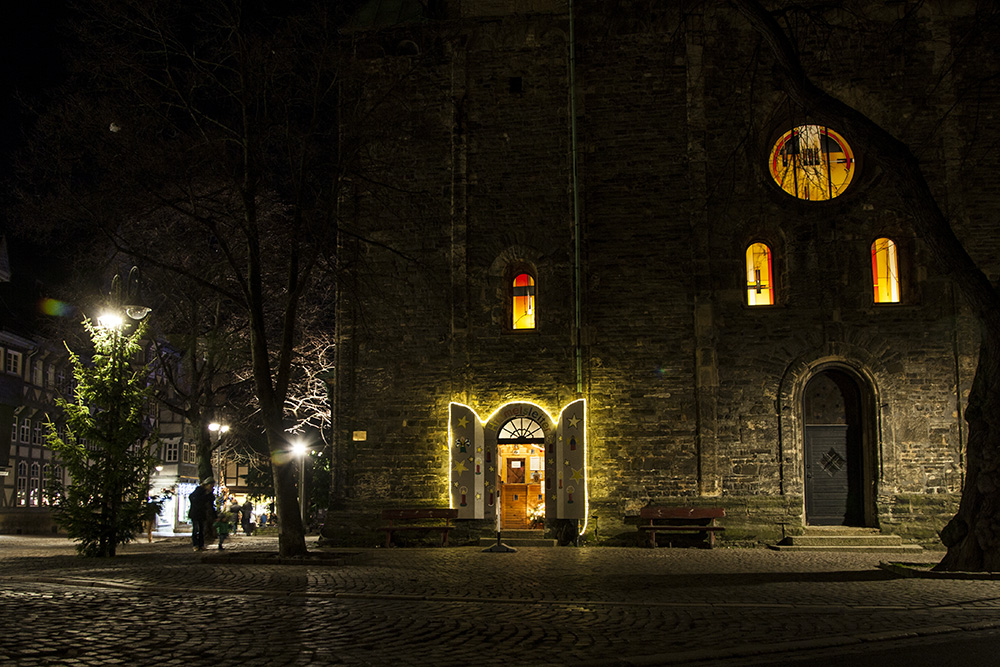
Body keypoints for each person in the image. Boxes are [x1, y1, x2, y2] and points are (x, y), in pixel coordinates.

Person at [188, 479, 214, 551]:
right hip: (196, 513)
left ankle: (201, 545)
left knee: (202, 529)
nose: (212, 487)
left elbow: (211, 503)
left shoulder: (208, 492)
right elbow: (194, 498)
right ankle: (195, 545)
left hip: (202, 513)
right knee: (196, 529)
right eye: (211, 485)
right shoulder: (199, 491)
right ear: (207, 485)